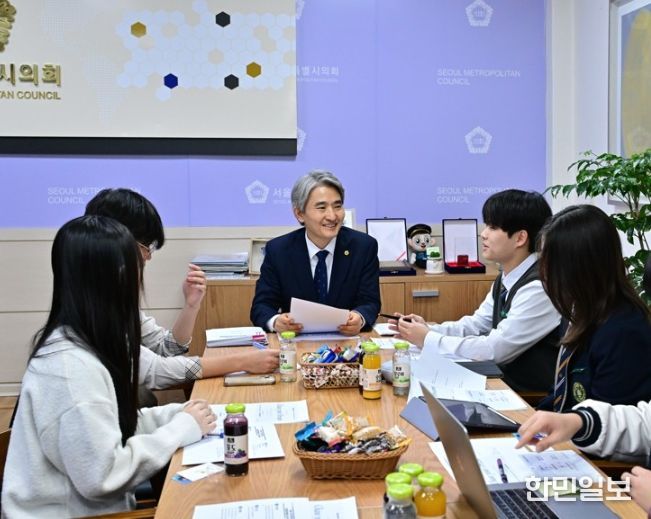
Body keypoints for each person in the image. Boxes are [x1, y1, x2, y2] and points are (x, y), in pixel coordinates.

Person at [2, 215, 216, 517]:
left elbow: (113, 428)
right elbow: (103, 477)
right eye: (136, 271)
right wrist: (181, 428)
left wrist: (176, 414)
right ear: (114, 279)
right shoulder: (69, 368)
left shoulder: (85, 340)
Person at [85, 188, 279, 396]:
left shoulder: (115, 297)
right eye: (146, 246)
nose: (148, 257)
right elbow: (154, 370)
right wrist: (241, 362)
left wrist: (191, 305)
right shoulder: (89, 305)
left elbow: (168, 348)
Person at [393, 189, 561, 392]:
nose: (483, 234)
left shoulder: (539, 287)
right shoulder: (508, 276)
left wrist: (428, 339)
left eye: (493, 227)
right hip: (499, 380)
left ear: (520, 238)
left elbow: (494, 349)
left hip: (527, 394)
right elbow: (477, 324)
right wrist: (428, 330)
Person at [531, 205, 651, 413]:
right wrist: (530, 420)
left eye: (550, 262)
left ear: (579, 265)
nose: (543, 271)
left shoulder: (623, 331)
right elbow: (562, 393)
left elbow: (609, 417)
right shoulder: (577, 311)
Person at [250, 170, 381, 335]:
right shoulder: (279, 250)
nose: (332, 216)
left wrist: (359, 318)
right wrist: (276, 322)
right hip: (296, 343)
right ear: (299, 214)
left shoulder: (363, 247)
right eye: (321, 208)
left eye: (337, 206)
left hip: (346, 342)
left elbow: (370, 302)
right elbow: (261, 307)